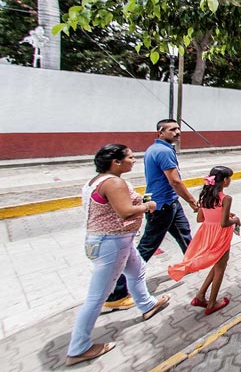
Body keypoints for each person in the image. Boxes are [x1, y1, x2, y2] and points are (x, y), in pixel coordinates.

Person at [66, 144, 171, 367]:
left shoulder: (97, 180)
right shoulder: (113, 183)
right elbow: (125, 212)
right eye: (130, 157)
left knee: (137, 270)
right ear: (116, 162)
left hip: (116, 241)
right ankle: (79, 348)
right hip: (110, 244)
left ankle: (147, 304)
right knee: (97, 296)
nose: (134, 160)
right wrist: (148, 206)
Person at [105, 119, 199, 309]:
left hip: (168, 201)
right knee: (147, 246)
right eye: (172, 129)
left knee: (183, 233)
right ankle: (117, 292)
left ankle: (192, 263)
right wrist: (192, 201)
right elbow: (175, 181)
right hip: (161, 204)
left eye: (178, 128)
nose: (178, 132)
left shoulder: (155, 149)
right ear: (160, 132)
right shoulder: (163, 151)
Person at [168, 166, 240, 315]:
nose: (230, 180)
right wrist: (236, 220)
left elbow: (200, 218)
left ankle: (200, 295)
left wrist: (220, 216)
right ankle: (212, 304)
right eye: (229, 178)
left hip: (207, 234)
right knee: (220, 269)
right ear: (224, 180)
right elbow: (224, 223)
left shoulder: (204, 196)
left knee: (217, 266)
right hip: (221, 236)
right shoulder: (226, 198)